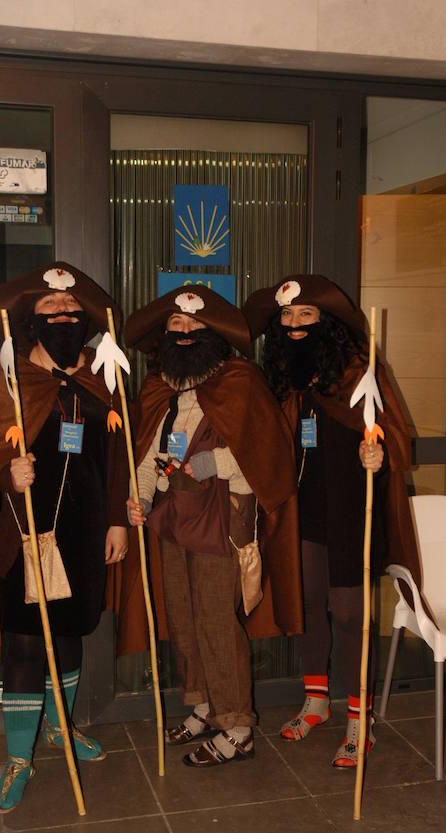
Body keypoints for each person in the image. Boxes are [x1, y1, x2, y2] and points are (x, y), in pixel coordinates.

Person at [0, 262, 129, 812]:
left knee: (73, 628)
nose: (63, 314)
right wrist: (8, 473)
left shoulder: (99, 376)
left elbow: (117, 454)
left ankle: (59, 728)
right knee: (28, 641)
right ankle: (17, 758)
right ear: (32, 318)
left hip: (83, 531)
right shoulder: (6, 379)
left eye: (72, 308)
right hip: (24, 531)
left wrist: (117, 521)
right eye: (51, 308)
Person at [120, 285, 303, 767]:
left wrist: (209, 464)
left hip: (221, 519)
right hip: (172, 519)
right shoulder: (160, 385)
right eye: (176, 325)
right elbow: (148, 456)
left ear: (213, 333)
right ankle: (204, 706)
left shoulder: (239, 380)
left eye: (194, 325)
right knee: (182, 617)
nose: (184, 333)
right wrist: (138, 498)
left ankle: (237, 726)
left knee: (218, 623)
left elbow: (266, 459)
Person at [244, 274, 420, 767]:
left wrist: (378, 455)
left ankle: (360, 719)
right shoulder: (285, 379)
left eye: (306, 315)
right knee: (309, 604)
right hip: (304, 509)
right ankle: (317, 700)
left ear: (327, 323)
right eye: (287, 316)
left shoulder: (358, 371)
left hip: (349, 510)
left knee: (347, 612)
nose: (295, 325)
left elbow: (395, 436)